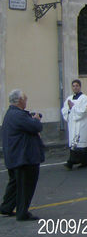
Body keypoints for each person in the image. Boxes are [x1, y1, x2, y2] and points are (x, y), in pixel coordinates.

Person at [1, 89, 45, 221]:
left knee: (15, 185)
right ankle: (22, 212)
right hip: (25, 158)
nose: (26, 101)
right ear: (19, 100)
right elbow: (36, 127)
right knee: (26, 186)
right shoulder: (18, 115)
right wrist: (36, 119)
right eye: (25, 99)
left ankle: (6, 207)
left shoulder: (11, 114)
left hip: (15, 156)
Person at [61, 79, 87, 169]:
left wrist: (72, 107)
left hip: (82, 124)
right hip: (73, 125)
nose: (75, 87)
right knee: (74, 143)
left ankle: (73, 162)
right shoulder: (69, 98)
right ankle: (82, 161)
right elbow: (64, 110)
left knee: (82, 143)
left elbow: (83, 111)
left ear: (80, 87)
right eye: (73, 86)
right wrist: (69, 109)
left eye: (77, 86)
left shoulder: (84, 98)